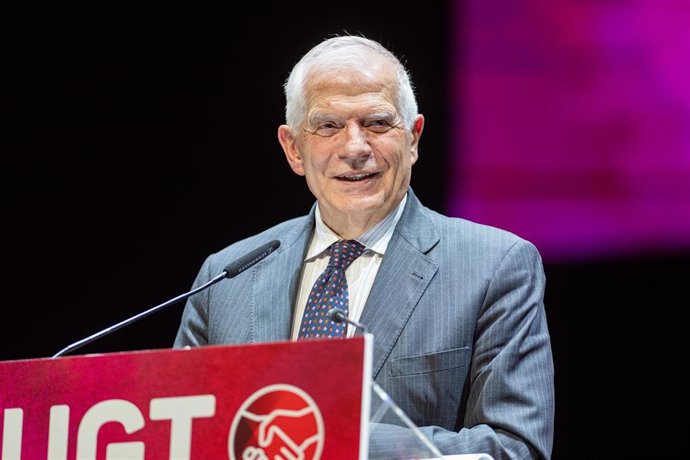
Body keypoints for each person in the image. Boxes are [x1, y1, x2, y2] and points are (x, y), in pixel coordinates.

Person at [174, 34, 555, 459]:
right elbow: (181, 436)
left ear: (413, 138)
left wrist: (331, 440)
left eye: (376, 123)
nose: (354, 148)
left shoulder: (494, 267)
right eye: (329, 126)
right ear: (294, 149)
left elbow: (516, 448)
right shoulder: (225, 277)